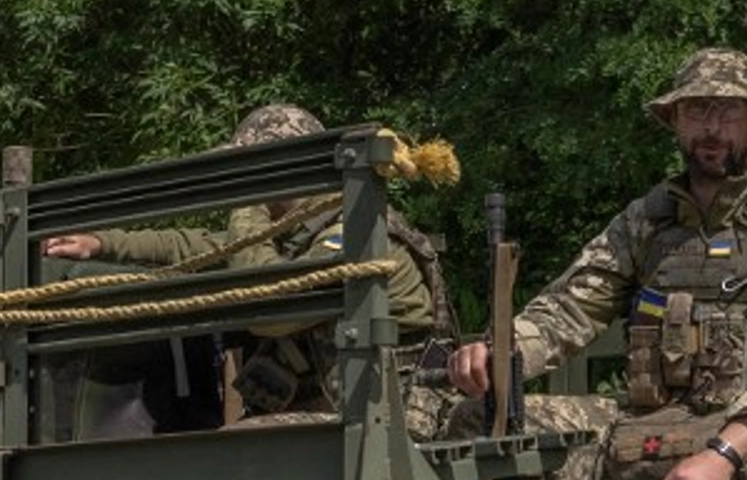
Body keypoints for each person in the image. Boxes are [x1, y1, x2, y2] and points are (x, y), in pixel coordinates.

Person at [447, 47, 747, 480]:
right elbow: (570, 306)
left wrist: (722, 455)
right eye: (697, 110)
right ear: (675, 120)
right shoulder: (644, 223)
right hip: (646, 424)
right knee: (474, 419)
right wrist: (502, 349)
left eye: (728, 111)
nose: (711, 128)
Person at [45, 105, 454, 428]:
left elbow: (272, 311)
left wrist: (246, 201)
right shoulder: (296, 235)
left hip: (387, 419)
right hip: (342, 414)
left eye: (249, 171)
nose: (240, 182)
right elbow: (196, 246)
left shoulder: (356, 231)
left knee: (224, 461)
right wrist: (102, 243)